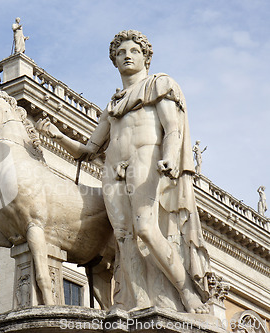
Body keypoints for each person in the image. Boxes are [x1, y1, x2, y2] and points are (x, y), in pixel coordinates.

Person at [37, 30, 210, 313]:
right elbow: (90, 149)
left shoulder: (158, 85)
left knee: (145, 228)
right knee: (124, 238)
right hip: (113, 170)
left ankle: (186, 292)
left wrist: (169, 158)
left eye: (134, 51)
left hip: (145, 161)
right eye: (121, 53)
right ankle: (138, 302)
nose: (127, 56)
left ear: (146, 58)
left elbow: (173, 129)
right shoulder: (113, 104)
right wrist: (58, 136)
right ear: (114, 61)